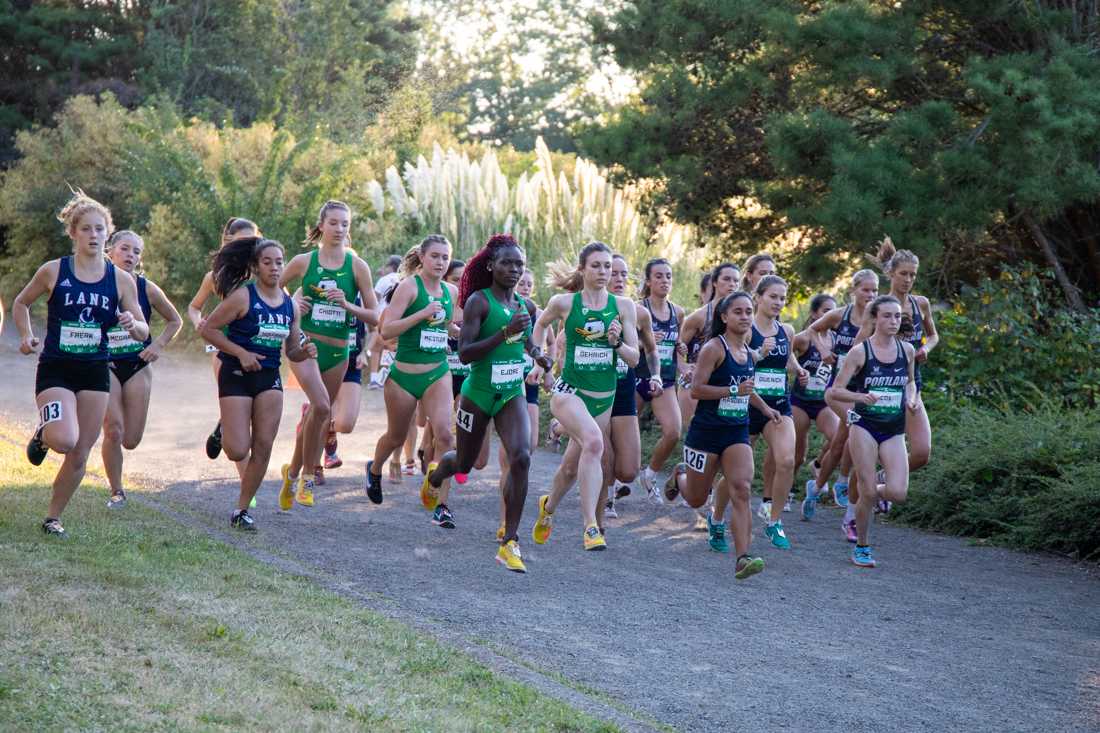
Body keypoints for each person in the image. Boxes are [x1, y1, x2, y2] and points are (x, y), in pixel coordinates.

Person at [12, 190, 149, 537]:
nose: (93, 235)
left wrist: (135, 325)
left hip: (94, 371)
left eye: (99, 229)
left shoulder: (120, 279)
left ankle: (53, 517)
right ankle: (45, 433)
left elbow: (143, 327)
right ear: (73, 233)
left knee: (80, 452)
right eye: (85, 229)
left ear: (107, 234)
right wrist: (26, 336)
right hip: (56, 367)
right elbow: (21, 303)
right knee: (64, 440)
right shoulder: (54, 270)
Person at [423, 235, 551, 571]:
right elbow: (465, 353)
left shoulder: (526, 306)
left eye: (519, 264)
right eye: (507, 263)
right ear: (491, 266)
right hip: (477, 394)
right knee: (464, 463)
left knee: (521, 456)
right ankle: (436, 476)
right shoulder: (480, 302)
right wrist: (503, 334)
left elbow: (525, 340)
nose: (514, 270)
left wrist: (539, 355)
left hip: (511, 392)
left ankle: (510, 542)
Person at [529, 242, 640, 551]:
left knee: (569, 468)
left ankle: (548, 508)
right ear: (582, 269)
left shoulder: (624, 306)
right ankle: (591, 526)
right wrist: (538, 358)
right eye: (597, 266)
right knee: (594, 442)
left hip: (603, 396)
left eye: (608, 266)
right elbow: (539, 326)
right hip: (569, 391)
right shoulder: (564, 302)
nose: (603, 272)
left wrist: (617, 343)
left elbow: (634, 359)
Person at [200, 237, 316, 530]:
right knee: (237, 451)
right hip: (236, 374)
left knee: (263, 445)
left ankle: (242, 510)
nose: (275, 268)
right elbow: (209, 329)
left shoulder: (290, 306)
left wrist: (304, 351)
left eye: (279, 262)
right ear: (255, 266)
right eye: (268, 262)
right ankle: (226, 427)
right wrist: (240, 353)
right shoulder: (243, 297)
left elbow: (290, 350)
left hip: (268, 377)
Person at [278, 200, 379, 510]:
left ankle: (291, 473)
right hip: (305, 346)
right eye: (334, 223)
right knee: (322, 407)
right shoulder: (303, 261)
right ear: (321, 225)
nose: (340, 229)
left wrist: (347, 305)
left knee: (317, 416)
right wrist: (294, 304)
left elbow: (375, 316)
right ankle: (308, 477)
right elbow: (269, 290)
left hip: (339, 351)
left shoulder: (357, 266)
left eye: (345, 224)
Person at [364, 235, 461, 528]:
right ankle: (375, 468)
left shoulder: (451, 291)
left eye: (445, 257)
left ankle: (441, 503)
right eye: (435, 256)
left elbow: (447, 326)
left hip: (437, 372)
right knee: (395, 436)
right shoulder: (408, 287)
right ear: (421, 256)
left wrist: (460, 332)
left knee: (445, 436)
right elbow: (386, 330)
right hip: (404, 376)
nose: (441, 263)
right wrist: (421, 313)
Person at [681, 291, 774, 579]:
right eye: (738, 312)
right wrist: (733, 391)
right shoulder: (713, 348)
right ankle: (678, 476)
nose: (745, 317)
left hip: (736, 430)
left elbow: (747, 388)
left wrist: (766, 408)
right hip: (706, 432)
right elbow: (697, 390)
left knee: (742, 489)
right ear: (724, 317)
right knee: (696, 499)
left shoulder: (748, 350)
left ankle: (742, 558)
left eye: (749, 311)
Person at [827, 295, 918, 567]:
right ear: (875, 318)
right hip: (864, 426)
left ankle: (875, 486)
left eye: (897, 316)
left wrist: (912, 398)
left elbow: (911, 382)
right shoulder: (860, 352)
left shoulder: (907, 351)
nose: (893, 321)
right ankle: (863, 547)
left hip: (893, 429)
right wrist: (859, 402)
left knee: (898, 492)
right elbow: (834, 392)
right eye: (887, 316)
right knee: (866, 493)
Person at [101, 230, 182, 508]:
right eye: (125, 249)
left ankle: (118, 483)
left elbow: (175, 320)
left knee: (131, 439)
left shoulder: (146, 287)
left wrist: (157, 346)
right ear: (110, 250)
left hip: (137, 364)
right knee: (114, 429)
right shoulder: (95, 283)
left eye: (136, 252)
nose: (131, 256)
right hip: (104, 364)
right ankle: (117, 490)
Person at [809, 269, 879, 541]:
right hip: (839, 388)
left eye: (874, 291)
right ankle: (836, 482)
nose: (870, 295)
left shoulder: (879, 317)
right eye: (865, 290)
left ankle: (818, 488)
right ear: (854, 291)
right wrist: (825, 351)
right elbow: (814, 330)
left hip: (863, 390)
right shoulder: (841, 315)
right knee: (850, 433)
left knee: (840, 442)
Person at [187, 217, 261, 461]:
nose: (249, 247)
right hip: (223, 346)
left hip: (259, 347)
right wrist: (198, 321)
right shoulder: (216, 276)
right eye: (243, 242)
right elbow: (194, 306)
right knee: (234, 401)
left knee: (251, 408)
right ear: (229, 243)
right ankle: (245, 483)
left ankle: (222, 428)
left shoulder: (268, 272)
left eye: (254, 241)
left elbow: (284, 304)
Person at [748, 275, 809, 549]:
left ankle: (774, 522)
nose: (778, 302)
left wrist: (798, 370)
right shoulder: (745, 327)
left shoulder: (787, 330)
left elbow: (788, 358)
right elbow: (733, 358)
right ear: (758, 297)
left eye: (782, 298)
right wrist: (758, 353)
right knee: (738, 475)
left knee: (786, 460)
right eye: (773, 296)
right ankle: (715, 518)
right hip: (746, 404)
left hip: (778, 406)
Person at [874, 237, 937, 476]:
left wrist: (925, 349)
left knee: (922, 452)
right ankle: (855, 500)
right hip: (880, 385)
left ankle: (884, 477)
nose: (908, 280)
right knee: (868, 450)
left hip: (911, 384)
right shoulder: (878, 306)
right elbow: (861, 346)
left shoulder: (921, 304)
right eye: (903, 274)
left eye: (913, 275)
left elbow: (933, 336)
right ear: (891, 273)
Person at [603, 254, 659, 518]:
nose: (619, 279)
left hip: (624, 389)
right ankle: (605, 497)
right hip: (594, 391)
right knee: (603, 450)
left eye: (624, 274)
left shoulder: (639, 313)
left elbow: (651, 350)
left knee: (628, 469)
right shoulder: (587, 308)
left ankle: (606, 480)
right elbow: (565, 343)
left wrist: (656, 375)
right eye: (614, 273)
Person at [635, 259, 686, 501]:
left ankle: (650, 473)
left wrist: (683, 357)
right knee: (621, 434)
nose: (664, 280)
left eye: (668, 276)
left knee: (674, 431)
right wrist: (644, 340)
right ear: (648, 281)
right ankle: (611, 489)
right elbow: (623, 345)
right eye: (658, 276)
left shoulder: (678, 312)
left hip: (664, 380)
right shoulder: (637, 309)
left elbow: (679, 345)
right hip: (636, 377)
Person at [790, 293, 839, 520]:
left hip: (824, 402)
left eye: (833, 311)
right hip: (800, 400)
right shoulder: (803, 339)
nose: (829, 315)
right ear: (815, 314)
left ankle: (818, 463)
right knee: (797, 453)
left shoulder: (838, 340)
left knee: (839, 435)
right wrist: (798, 369)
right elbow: (785, 351)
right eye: (824, 311)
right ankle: (788, 491)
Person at [678, 263, 741, 429]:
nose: (732, 284)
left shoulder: (742, 319)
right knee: (688, 433)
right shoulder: (698, 317)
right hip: (694, 382)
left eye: (736, 281)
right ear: (714, 282)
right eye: (726, 279)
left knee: (720, 434)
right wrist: (683, 366)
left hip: (724, 384)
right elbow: (676, 345)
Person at [322, 294, 367, 470]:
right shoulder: (320, 291)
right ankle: (317, 466)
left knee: (345, 424)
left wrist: (365, 353)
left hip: (352, 363)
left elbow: (373, 331)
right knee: (324, 413)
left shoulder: (359, 299)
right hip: (326, 361)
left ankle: (312, 422)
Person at [368, 254, 404, 389]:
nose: (384, 268)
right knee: (391, 349)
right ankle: (386, 378)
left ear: (392, 266)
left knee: (376, 349)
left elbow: (374, 299)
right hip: (398, 320)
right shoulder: (404, 279)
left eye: (386, 265)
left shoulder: (384, 280)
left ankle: (374, 379)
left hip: (382, 318)